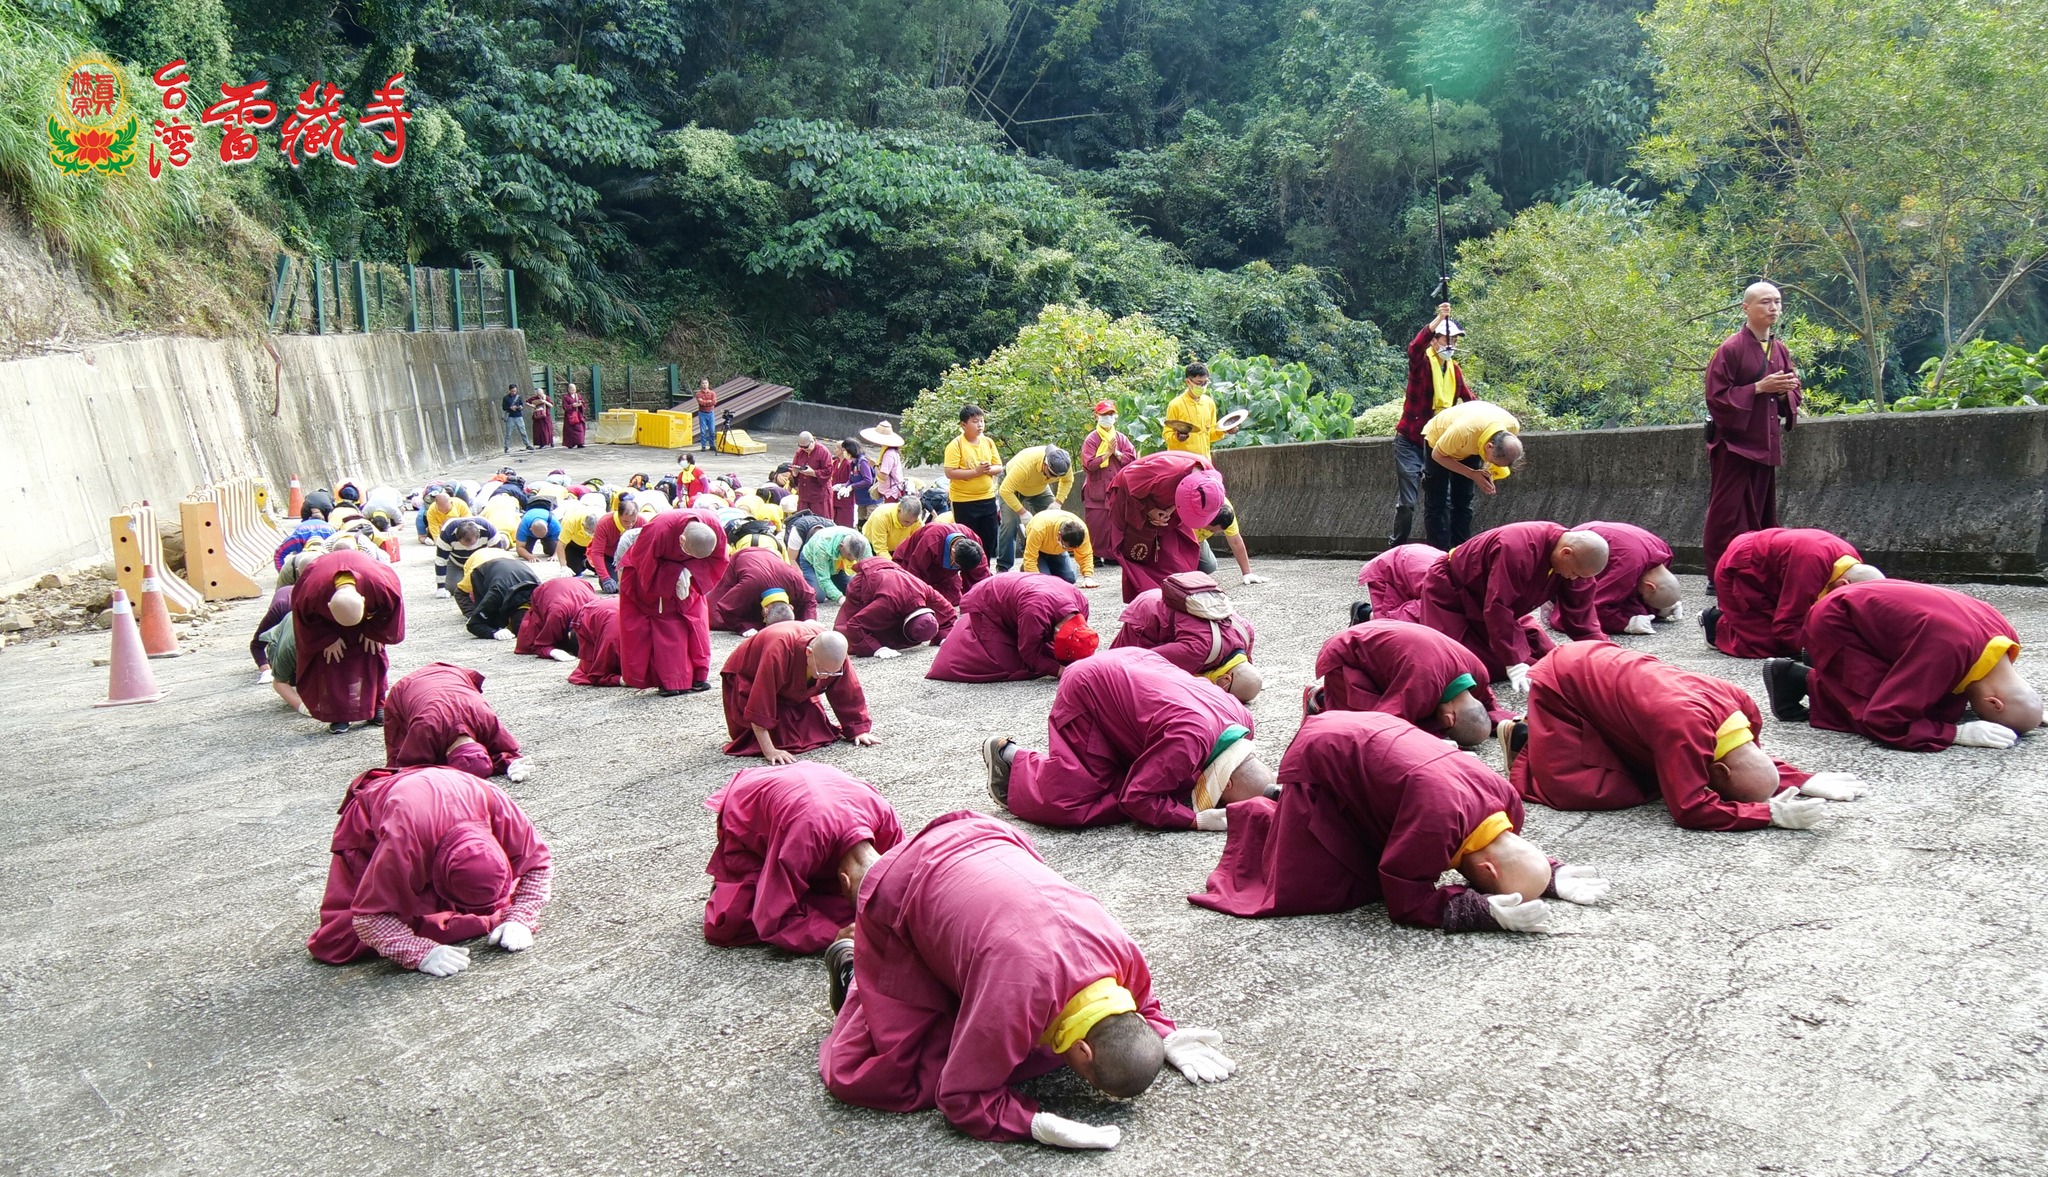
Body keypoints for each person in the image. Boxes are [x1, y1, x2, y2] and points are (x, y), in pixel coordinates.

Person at [819, 811, 1235, 1150]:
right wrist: (1031, 1124)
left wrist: (1164, 1036)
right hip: (900, 884)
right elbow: (960, 1096)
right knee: (892, 1070)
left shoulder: (1122, 954)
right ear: (1084, 1051)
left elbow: (1141, 1009)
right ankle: (855, 965)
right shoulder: (1013, 1000)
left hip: (987, 836)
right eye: (1087, 1079)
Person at [1192, 711, 1604, 934]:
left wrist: (1546, 873)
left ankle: (1287, 801)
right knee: (1321, 886)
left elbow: (1515, 853)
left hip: (1375, 730)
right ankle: (1263, 808)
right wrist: (1477, 912)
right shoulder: (1435, 828)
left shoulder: (1509, 804)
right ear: (1488, 871)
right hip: (1324, 751)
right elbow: (1404, 899)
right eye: (1485, 886)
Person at [1511, 642, 1858, 831]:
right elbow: (1690, 810)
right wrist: (1768, 815)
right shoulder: (1684, 731)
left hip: (1608, 669)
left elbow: (1746, 757)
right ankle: (1529, 739)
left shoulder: (1744, 707)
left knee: (1664, 774)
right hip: (1565, 680)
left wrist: (1800, 779)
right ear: (1717, 771)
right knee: (1590, 789)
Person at [985, 647, 1269, 831]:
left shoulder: (1243, 720)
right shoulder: (1188, 743)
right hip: (1088, 686)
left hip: (1136, 660)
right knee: (1077, 800)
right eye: (1224, 800)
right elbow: (1137, 799)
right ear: (1227, 783)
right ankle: (1008, 757)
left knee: (1173, 785)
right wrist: (1195, 820)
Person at [306, 765, 551, 977]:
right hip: (395, 813)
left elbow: (539, 864)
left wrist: (521, 916)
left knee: (491, 907)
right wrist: (419, 952)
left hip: (449, 792)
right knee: (342, 939)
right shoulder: (403, 846)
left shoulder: (500, 808)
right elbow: (368, 918)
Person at [1764, 580, 2042, 752]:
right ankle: (1797, 678)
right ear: (1994, 703)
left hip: (1871, 609)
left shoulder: (2007, 639)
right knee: (1884, 710)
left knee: (1938, 704)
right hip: (1836, 619)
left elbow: (2012, 695)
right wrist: (1955, 734)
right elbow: (1885, 718)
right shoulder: (1948, 654)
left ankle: (1827, 670)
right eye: (1990, 715)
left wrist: (2028, 712)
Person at [704, 763, 904, 954]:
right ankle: (736, 882)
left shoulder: (887, 821)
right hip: (751, 800)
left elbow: (901, 889)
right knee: (730, 921)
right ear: (844, 881)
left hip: (814, 791)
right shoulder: (804, 839)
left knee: (872, 914)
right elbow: (773, 916)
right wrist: (835, 935)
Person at [1411, 522, 1608, 688]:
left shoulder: (1576, 563)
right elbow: (1499, 605)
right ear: (1566, 553)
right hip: (1451, 593)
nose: (1574, 579)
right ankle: (1408, 617)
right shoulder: (1517, 549)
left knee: (1546, 657)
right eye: (1574, 573)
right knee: (1460, 665)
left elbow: (1581, 612)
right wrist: (1513, 661)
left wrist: (1603, 654)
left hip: (1494, 604)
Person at [1705, 282, 1802, 574]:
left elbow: (1792, 393)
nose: (1773, 308)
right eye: (1765, 302)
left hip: (1764, 443)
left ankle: (1754, 572)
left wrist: (1784, 391)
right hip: (1734, 446)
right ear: (1745, 308)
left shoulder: (1779, 349)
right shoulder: (1730, 349)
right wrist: (1759, 387)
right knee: (1727, 514)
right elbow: (1716, 398)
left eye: (1777, 301)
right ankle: (1720, 572)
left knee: (1762, 513)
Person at [1304, 620, 1505, 747]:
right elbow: (1387, 723)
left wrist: (1510, 726)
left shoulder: (1480, 674)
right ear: (1449, 719)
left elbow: (1491, 709)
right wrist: (1437, 745)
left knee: (1421, 719)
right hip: (1346, 652)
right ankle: (1320, 699)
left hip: (1382, 640)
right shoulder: (1423, 685)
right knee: (1363, 726)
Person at [1703, 528, 1880, 658]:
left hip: (1770, 571)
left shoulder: (1852, 563)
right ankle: (1714, 621)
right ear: (1843, 584)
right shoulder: (1811, 568)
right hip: (1739, 568)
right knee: (1766, 644)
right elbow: (1787, 626)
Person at [719, 621, 877, 762]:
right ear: (809, 652)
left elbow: (848, 690)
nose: (826, 676)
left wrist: (858, 729)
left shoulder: (835, 652)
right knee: (778, 740)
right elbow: (762, 696)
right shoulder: (778, 650)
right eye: (822, 671)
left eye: (832, 672)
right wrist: (770, 751)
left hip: (791, 686)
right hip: (749, 678)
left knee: (814, 732)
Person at [293, 549, 404, 734]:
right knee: (331, 662)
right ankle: (339, 714)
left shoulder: (379, 584)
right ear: (329, 605)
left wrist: (375, 631)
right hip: (327, 624)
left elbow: (393, 608)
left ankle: (377, 704)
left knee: (373, 653)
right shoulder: (312, 590)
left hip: (367, 620)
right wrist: (326, 639)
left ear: (363, 599)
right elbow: (303, 619)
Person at [618, 510, 729, 695]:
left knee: (697, 620)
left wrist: (692, 570)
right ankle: (672, 681)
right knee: (667, 623)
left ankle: (699, 677)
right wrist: (673, 574)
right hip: (656, 577)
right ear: (682, 540)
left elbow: (719, 559)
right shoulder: (658, 529)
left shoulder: (714, 526)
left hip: (691, 577)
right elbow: (642, 562)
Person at [1392, 304, 1475, 545]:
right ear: (1434, 340)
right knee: (1408, 503)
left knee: (1443, 501)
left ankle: (1443, 550)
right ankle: (1397, 546)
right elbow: (1414, 348)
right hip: (1410, 442)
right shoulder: (1421, 364)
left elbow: (1470, 400)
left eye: (1455, 341)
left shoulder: (1454, 370)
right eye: (1447, 339)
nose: (1451, 345)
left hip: (1436, 444)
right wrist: (1439, 318)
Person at [1109, 572, 1261, 702]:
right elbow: (1144, 659)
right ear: (1226, 679)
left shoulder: (1246, 632)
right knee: (1118, 673)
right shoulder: (1198, 650)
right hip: (1149, 613)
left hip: (1181, 601)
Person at [927, 572, 1097, 683]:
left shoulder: (1081, 604)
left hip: (1021, 594)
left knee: (1049, 653)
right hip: (988, 598)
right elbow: (1029, 654)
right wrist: (1060, 671)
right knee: (1009, 663)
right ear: (1056, 632)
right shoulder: (1035, 613)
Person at [1105, 451, 1228, 602]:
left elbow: (1184, 495)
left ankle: (1180, 592)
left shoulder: (1209, 477)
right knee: (1141, 555)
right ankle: (1151, 601)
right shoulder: (1168, 473)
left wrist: (1172, 509)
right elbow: (1127, 478)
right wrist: (1149, 509)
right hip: (1131, 498)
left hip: (1167, 508)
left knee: (1179, 552)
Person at [382, 662, 530, 781]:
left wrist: (509, 764)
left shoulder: (486, 718)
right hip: (408, 686)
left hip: (451, 674)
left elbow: (509, 751)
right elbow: (410, 769)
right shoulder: (426, 728)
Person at [1419, 399, 1523, 549]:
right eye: (1493, 461)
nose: (1492, 464)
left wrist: (1488, 471)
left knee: (1463, 500)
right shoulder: (1464, 432)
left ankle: (1461, 550)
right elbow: (1438, 455)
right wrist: (1472, 473)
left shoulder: (1512, 426)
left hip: (1472, 447)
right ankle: (1438, 553)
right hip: (1438, 443)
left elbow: (1499, 453)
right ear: (1489, 446)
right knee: (1437, 501)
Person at [1570, 520, 1682, 635]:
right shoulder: (1629, 568)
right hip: (1576, 544)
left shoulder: (1665, 551)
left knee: (1634, 607)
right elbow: (1593, 606)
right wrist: (1625, 623)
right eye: (1643, 597)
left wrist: (1661, 606)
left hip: (1596, 532)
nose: (1642, 599)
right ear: (1650, 586)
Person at [835, 556, 957, 658]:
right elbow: (854, 624)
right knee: (844, 640)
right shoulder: (888, 603)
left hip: (894, 573)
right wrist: (876, 649)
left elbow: (949, 612)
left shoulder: (925, 590)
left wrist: (943, 636)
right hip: (866, 580)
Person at [996, 445, 1074, 572]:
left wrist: (1058, 503)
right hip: (1012, 487)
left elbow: (1067, 481)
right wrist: (1022, 512)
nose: (1051, 478)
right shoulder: (1026, 465)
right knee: (1010, 523)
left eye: (1055, 477)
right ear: (1045, 464)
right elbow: (1005, 490)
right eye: (1051, 474)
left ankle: (1055, 557)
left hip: (1039, 488)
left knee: (1055, 520)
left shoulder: (1064, 463)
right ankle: (1003, 566)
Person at [709, 544, 818, 634]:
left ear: (791, 607)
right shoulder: (749, 585)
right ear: (765, 611)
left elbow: (810, 598)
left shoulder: (795, 579)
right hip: (742, 557)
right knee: (714, 617)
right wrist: (742, 628)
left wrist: (810, 620)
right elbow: (725, 607)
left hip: (771, 556)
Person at [942, 404, 1004, 557]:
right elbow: (950, 472)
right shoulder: (956, 445)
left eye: (982, 421)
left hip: (987, 498)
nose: (980, 425)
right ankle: (969, 570)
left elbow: (999, 467)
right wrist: (976, 472)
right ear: (963, 425)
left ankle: (985, 567)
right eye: (975, 421)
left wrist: (987, 469)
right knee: (968, 542)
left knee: (989, 540)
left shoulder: (988, 442)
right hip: (964, 501)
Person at [1079, 400, 1135, 562]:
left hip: (1116, 488)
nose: (1108, 417)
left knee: (1116, 523)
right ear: (1096, 416)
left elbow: (1132, 460)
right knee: (1096, 524)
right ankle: (1094, 555)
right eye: (1104, 414)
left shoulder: (1121, 438)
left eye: (1111, 414)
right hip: (1097, 489)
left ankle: (1112, 554)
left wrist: (1116, 453)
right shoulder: (1092, 439)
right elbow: (1088, 465)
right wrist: (1106, 454)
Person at [893, 521, 989, 606]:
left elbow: (981, 575)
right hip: (910, 561)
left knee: (954, 599)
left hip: (944, 572)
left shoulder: (973, 541)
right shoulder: (931, 540)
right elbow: (915, 571)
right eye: (956, 564)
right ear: (953, 551)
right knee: (917, 599)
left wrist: (983, 600)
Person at [461, 546, 540, 640]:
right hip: (485, 568)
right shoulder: (497, 594)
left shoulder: (540, 594)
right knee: (491, 621)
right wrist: (493, 633)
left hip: (512, 564)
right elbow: (473, 624)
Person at [1162, 362, 1238, 456]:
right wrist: (1177, 437)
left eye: (1205, 382)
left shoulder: (1209, 403)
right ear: (1188, 382)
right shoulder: (1175, 404)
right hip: (1182, 459)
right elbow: (1166, 434)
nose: (1202, 386)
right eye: (1199, 383)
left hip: (1203, 458)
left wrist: (1224, 430)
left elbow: (1209, 434)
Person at [514, 576, 596, 661]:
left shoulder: (597, 611)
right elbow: (540, 645)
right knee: (527, 644)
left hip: (581, 584)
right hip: (546, 590)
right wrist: (552, 652)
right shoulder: (557, 614)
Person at [1192, 497, 1269, 585]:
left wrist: (1247, 573)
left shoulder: (1227, 514)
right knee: (1183, 566)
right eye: (1211, 530)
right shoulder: (1195, 509)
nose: (1214, 533)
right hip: (1182, 536)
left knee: (1209, 566)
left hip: (1198, 540)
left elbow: (1236, 542)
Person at [1019, 508, 1097, 588]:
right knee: (1044, 581)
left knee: (1069, 578)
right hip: (1038, 550)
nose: (1069, 550)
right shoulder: (1038, 529)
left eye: (1071, 549)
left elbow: (1085, 554)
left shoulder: (1082, 531)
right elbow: (1030, 558)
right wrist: (1036, 579)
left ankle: (1047, 567)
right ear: (1059, 535)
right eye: (1066, 547)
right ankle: (1026, 569)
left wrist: (1088, 577)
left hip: (1057, 551)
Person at [798, 526, 870, 604]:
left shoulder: (864, 544)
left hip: (837, 566)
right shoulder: (822, 546)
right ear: (841, 546)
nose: (852, 560)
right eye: (849, 557)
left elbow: (869, 570)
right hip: (812, 561)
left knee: (853, 591)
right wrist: (840, 598)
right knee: (818, 596)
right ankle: (805, 586)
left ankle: (831, 587)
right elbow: (824, 579)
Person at [586, 491, 641, 594]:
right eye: (626, 521)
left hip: (630, 559)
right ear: (618, 515)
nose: (630, 525)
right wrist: (605, 578)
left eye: (633, 521)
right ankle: (590, 564)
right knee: (612, 587)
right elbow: (597, 552)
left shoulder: (641, 522)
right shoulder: (604, 523)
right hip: (609, 558)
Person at [567, 597, 624, 687]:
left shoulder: (611, 642)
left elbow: (597, 675)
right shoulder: (611, 641)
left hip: (599, 613)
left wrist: (620, 680)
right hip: (609, 605)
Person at [862, 495, 925, 560]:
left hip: (895, 547)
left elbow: (917, 543)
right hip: (873, 545)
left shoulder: (916, 521)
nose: (909, 525)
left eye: (913, 522)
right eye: (906, 521)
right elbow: (880, 550)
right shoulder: (881, 517)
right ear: (899, 510)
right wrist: (893, 565)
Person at [792, 432, 836, 521]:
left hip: (819, 493)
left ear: (812, 441)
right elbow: (794, 466)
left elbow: (828, 471)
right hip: (804, 492)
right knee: (803, 520)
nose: (804, 449)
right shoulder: (800, 452)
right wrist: (795, 472)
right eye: (801, 447)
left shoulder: (823, 451)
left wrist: (813, 473)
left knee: (820, 521)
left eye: (806, 447)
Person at [832, 438, 876, 527]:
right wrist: (843, 486)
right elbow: (851, 479)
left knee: (870, 525)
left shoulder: (862, 461)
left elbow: (868, 480)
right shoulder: (853, 463)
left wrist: (851, 487)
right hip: (861, 500)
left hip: (870, 500)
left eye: (844, 450)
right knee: (861, 525)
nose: (843, 452)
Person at [863, 422, 907, 505]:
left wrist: (874, 466)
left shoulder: (889, 454)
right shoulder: (891, 451)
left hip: (891, 493)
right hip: (891, 490)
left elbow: (883, 476)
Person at [501, 384, 530, 454]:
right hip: (510, 416)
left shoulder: (518, 397)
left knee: (523, 431)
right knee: (508, 433)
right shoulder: (506, 398)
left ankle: (527, 444)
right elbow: (504, 407)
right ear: (509, 390)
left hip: (519, 416)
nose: (514, 392)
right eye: (512, 391)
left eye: (515, 391)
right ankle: (506, 447)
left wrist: (520, 407)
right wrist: (510, 408)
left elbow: (521, 405)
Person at [694, 377, 718, 452]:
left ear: (708, 384)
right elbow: (701, 403)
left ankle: (712, 445)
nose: (704, 384)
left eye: (706, 383)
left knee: (712, 430)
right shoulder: (698, 394)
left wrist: (706, 402)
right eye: (703, 383)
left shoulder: (712, 393)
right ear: (700, 385)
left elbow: (714, 402)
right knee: (703, 431)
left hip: (711, 413)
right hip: (702, 413)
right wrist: (709, 401)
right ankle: (703, 446)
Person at [561, 382, 588, 449]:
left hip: (578, 415)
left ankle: (580, 443)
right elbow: (565, 407)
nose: (573, 391)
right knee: (570, 431)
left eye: (574, 389)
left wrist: (580, 404)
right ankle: (570, 444)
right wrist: (572, 405)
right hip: (570, 416)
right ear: (568, 389)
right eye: (571, 390)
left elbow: (583, 403)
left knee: (580, 429)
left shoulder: (578, 396)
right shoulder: (565, 397)